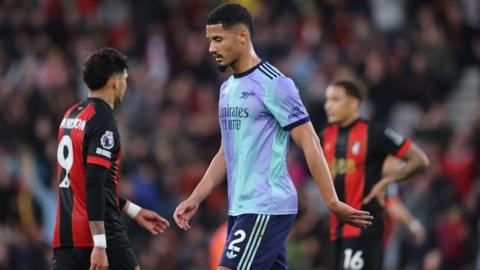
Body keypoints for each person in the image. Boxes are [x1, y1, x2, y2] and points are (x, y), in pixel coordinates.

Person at [173, 4, 373, 270]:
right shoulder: (227, 89)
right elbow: (226, 152)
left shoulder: (275, 84)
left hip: (266, 205)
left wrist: (331, 201)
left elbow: (310, 141)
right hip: (240, 208)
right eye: (210, 40)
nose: (211, 48)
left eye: (218, 39)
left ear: (242, 36)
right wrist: (195, 198)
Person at [52, 48, 170, 270]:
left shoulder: (70, 115)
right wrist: (100, 244)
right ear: (115, 81)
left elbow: (88, 184)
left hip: (65, 237)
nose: (126, 84)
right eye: (125, 78)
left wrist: (134, 211)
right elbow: (94, 186)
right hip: (98, 234)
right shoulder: (102, 122)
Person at [320, 78, 430, 270]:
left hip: (363, 228)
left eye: (335, 99)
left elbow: (420, 160)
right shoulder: (325, 136)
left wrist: (386, 182)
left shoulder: (374, 133)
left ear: (354, 103)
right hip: (336, 230)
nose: (328, 105)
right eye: (327, 99)